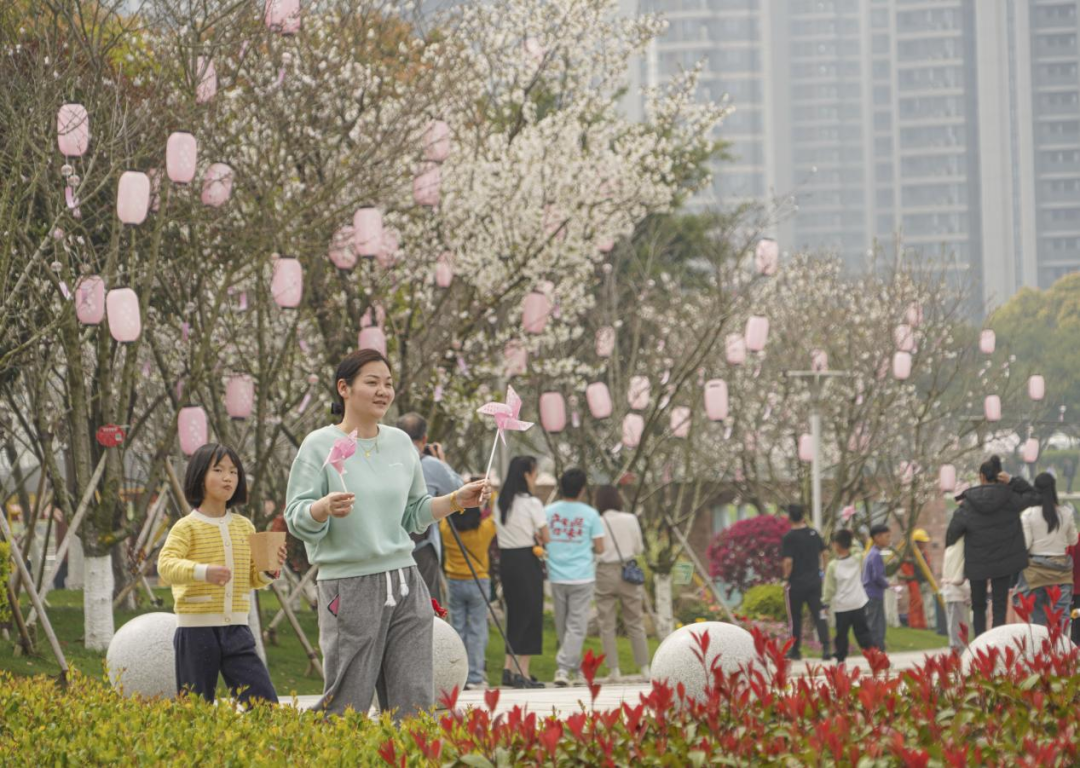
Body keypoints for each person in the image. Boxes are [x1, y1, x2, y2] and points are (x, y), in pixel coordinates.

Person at [284, 349, 488, 719]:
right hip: (349, 585)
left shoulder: (399, 444)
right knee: (347, 703)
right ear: (343, 388)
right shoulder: (318, 445)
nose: (383, 391)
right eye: (372, 382)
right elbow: (296, 516)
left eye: (389, 384)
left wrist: (457, 499)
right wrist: (323, 508)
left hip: (406, 581)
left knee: (414, 700)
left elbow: (414, 514)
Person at [158, 444, 286, 706]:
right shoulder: (187, 527)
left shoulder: (244, 526)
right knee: (195, 708)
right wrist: (204, 572)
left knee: (264, 704)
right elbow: (166, 566)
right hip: (196, 631)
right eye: (218, 470)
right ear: (199, 477)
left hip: (237, 629)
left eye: (234, 471)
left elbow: (252, 578)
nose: (228, 477)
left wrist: (268, 571)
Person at [946, 460, 1041, 638]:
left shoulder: (968, 503)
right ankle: (997, 643)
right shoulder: (1010, 498)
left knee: (979, 605)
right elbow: (1036, 496)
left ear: (981, 476)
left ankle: (981, 642)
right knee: (999, 605)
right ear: (999, 476)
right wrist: (1013, 480)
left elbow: (952, 533)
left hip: (977, 562)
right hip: (1004, 562)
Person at [545, 468, 606, 687]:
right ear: (582, 490)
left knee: (564, 625)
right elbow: (600, 547)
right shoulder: (590, 514)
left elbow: (540, 538)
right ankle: (566, 668)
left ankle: (571, 668)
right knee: (576, 626)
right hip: (582, 576)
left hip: (556, 575)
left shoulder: (548, 512)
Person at [397, 412, 465, 606]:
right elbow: (460, 492)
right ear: (425, 438)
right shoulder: (431, 465)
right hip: (421, 549)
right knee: (428, 609)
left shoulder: (383, 460)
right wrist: (442, 462)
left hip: (389, 546)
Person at [494, 455, 549, 689]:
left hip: (507, 561)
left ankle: (509, 668)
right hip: (527, 559)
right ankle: (522, 673)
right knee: (530, 615)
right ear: (526, 475)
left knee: (515, 615)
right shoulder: (531, 503)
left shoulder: (500, 502)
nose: (535, 479)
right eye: (534, 474)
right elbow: (546, 536)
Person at [593, 485, 650, 682]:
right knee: (635, 621)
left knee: (606, 624)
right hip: (628, 571)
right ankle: (644, 669)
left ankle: (614, 671)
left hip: (604, 572)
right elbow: (638, 548)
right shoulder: (631, 519)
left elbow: (595, 549)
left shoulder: (597, 521)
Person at [439, 506, 497, 690]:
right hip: (478, 582)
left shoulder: (447, 530)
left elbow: (444, 512)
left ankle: (458, 675)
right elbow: (496, 514)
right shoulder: (484, 530)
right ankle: (475, 676)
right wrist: (490, 494)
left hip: (454, 582)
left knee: (458, 628)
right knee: (477, 629)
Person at [1019, 472, 1077, 630]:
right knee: (1063, 615)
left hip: (1036, 571)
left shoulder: (1028, 514)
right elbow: (1073, 540)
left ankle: (1041, 651)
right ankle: (1062, 651)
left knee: (1039, 615)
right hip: (1062, 570)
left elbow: (1026, 544)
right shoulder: (1066, 513)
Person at [781, 504, 831, 660]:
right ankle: (826, 649)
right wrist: (824, 570)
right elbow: (825, 552)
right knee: (820, 615)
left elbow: (788, 561)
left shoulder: (789, 537)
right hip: (815, 582)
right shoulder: (813, 533)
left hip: (796, 584)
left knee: (795, 617)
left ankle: (795, 650)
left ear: (789, 518)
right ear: (803, 516)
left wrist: (785, 578)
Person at [823, 529, 876, 664]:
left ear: (836, 545)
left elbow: (829, 588)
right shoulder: (857, 559)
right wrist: (850, 537)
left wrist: (825, 603)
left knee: (841, 635)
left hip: (842, 606)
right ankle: (874, 658)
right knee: (863, 633)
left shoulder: (833, 566)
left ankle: (840, 660)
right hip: (858, 603)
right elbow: (859, 548)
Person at [862, 523, 891, 651]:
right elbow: (877, 576)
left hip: (872, 594)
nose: (888, 539)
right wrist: (889, 584)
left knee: (876, 624)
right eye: (887, 536)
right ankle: (877, 652)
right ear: (877, 537)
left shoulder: (872, 553)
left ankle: (876, 651)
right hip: (873, 594)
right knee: (876, 625)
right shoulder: (875, 555)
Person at [941, 538, 970, 651]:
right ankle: (958, 654)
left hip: (950, 592)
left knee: (954, 626)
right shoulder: (960, 550)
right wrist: (968, 592)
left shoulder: (949, 549)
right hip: (957, 592)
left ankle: (957, 651)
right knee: (958, 627)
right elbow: (959, 576)